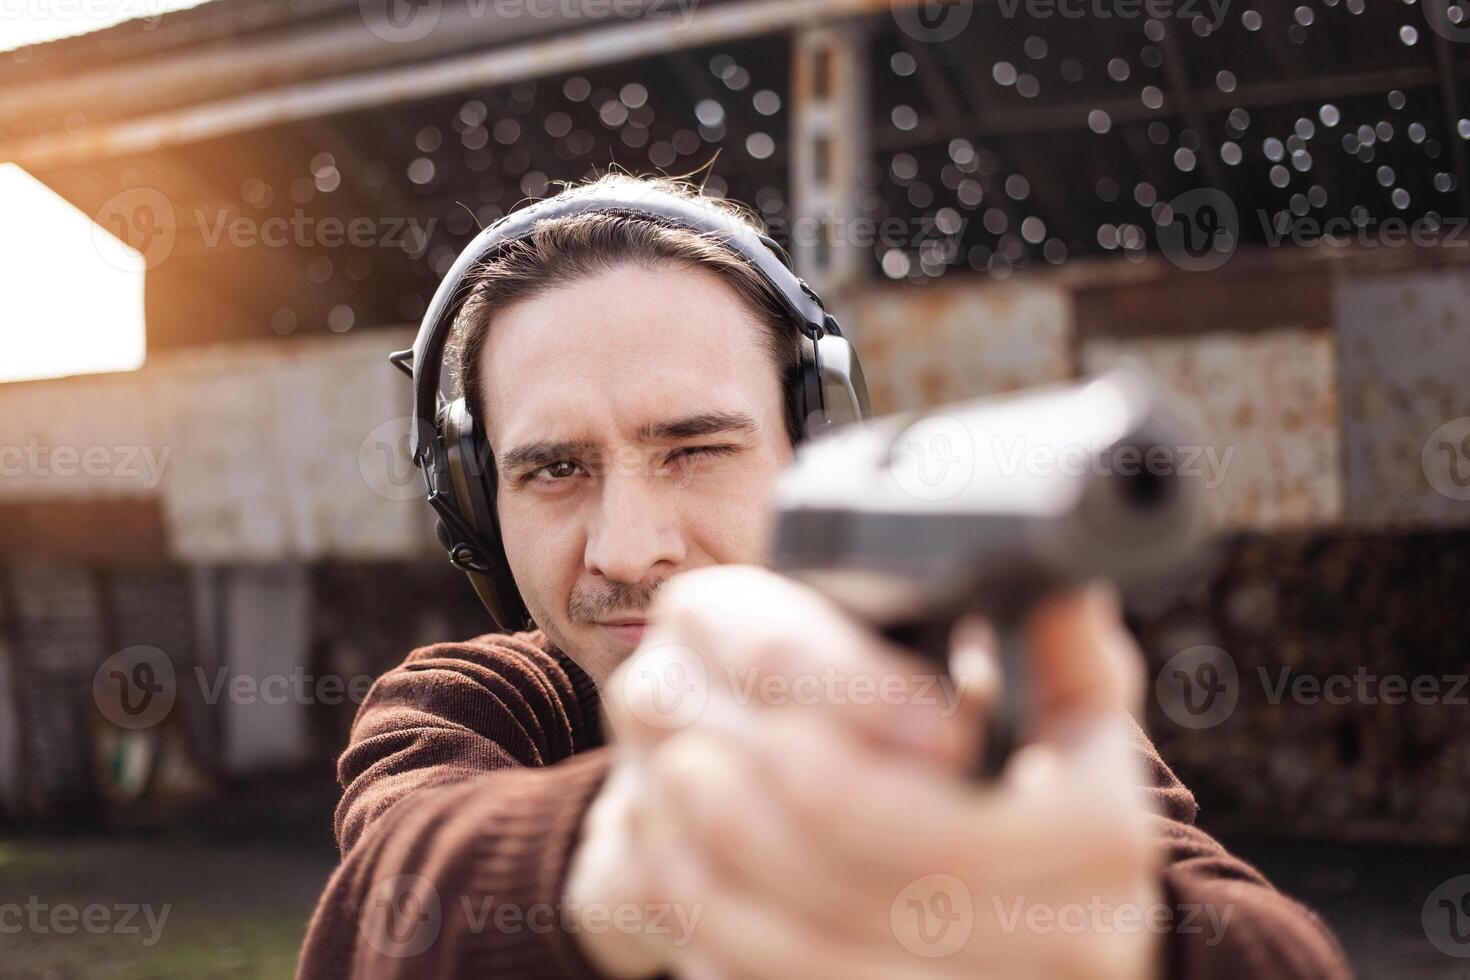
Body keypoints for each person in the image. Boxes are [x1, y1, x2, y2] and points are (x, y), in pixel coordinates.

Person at [296, 173, 1351, 980]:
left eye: (696, 448)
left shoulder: (986, 685)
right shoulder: (475, 702)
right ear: (478, 505)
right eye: (555, 468)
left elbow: (1274, 945)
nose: (627, 546)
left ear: (807, 446)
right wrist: (628, 864)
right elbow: (385, 904)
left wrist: (1121, 933)